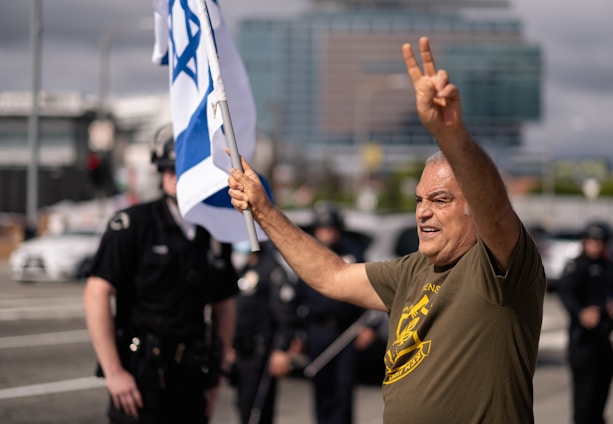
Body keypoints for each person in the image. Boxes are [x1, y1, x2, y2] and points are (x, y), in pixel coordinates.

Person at [226, 36, 546, 423]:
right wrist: (264, 211)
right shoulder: (410, 272)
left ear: (472, 209)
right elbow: (331, 276)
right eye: (419, 200)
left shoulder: (501, 269)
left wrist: (450, 134)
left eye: (441, 200)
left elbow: (495, 211)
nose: (423, 213)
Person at [83, 124, 239, 424]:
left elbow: (224, 305)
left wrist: (217, 376)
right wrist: (114, 373)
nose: (174, 177)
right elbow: (96, 292)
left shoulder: (214, 232)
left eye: (182, 170)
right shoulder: (134, 224)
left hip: (193, 375)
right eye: (168, 170)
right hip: (141, 374)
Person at [296, 202, 378, 424]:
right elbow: (297, 297)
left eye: (330, 228)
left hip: (346, 332)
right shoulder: (308, 256)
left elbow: (370, 288)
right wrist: (297, 334)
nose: (326, 233)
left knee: (343, 390)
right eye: (322, 229)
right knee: (322, 391)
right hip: (317, 330)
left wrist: (369, 327)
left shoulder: (353, 252)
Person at [558, 221, 613, 424]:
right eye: (593, 241)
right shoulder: (577, 266)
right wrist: (581, 313)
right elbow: (566, 294)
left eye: (602, 241)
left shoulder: (611, 267)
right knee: (584, 403)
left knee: (600, 399)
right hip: (582, 342)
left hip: (604, 339)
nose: (597, 245)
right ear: (584, 242)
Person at [230, 241, 300, 424]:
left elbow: (285, 314)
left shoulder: (272, 268)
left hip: (261, 352)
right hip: (241, 350)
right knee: (243, 407)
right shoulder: (243, 267)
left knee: (257, 412)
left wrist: (281, 348)